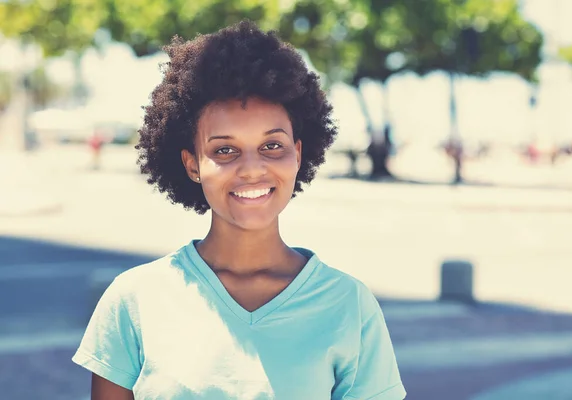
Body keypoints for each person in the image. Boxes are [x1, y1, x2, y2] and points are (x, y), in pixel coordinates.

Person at [72, 20, 406, 400]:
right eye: (224, 150)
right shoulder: (133, 300)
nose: (251, 168)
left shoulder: (349, 304)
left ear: (297, 154)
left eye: (272, 146)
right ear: (192, 164)